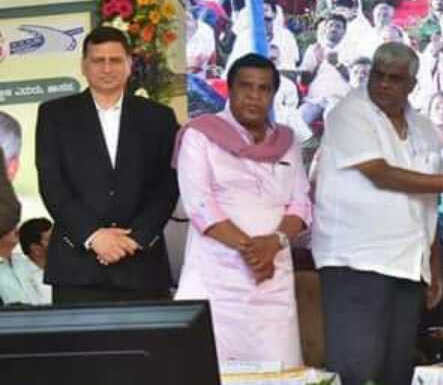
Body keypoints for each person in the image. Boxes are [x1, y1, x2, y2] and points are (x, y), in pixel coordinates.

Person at [311, 42, 443, 385]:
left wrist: (434, 265)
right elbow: (381, 174)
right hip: (356, 263)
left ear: (412, 84)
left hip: (408, 264)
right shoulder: (348, 112)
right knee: (358, 374)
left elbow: (426, 203)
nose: (384, 84)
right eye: (378, 75)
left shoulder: (422, 126)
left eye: (395, 78)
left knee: (396, 376)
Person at [174, 54, 312, 367]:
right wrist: (253, 252)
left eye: (264, 89)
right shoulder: (200, 135)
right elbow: (200, 205)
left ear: (273, 95)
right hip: (217, 280)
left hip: (272, 282)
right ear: (230, 89)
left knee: (279, 375)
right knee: (214, 378)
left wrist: (273, 244)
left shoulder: (287, 140)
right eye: (245, 86)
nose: (254, 96)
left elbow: (301, 204)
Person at [35, 26, 179, 303]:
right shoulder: (54, 115)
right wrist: (93, 236)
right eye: (98, 60)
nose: (107, 68)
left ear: (129, 64)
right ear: (83, 66)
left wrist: (135, 239)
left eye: (115, 60)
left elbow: (168, 184)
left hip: (142, 265)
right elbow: (52, 184)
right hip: (77, 268)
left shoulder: (159, 117)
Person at [17, 218, 51, 304]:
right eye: (50, 239)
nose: (58, 243)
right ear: (36, 249)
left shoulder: (66, 268)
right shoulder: (19, 275)